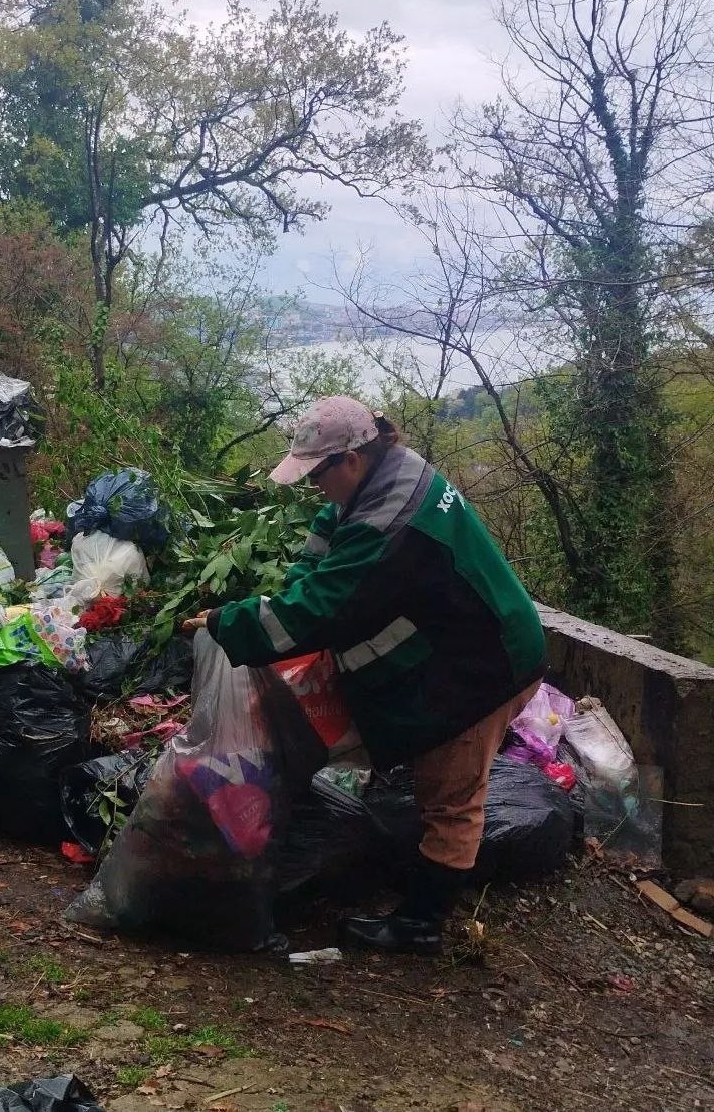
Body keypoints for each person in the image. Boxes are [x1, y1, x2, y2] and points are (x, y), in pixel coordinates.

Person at [185, 396, 545, 956]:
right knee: (425, 772)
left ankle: (420, 926)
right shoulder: (379, 480)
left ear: (350, 460)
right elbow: (320, 559)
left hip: (487, 666)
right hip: (459, 643)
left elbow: (321, 608)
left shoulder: (389, 520)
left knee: (451, 798)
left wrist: (229, 623)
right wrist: (280, 599)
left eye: (316, 475)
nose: (313, 488)